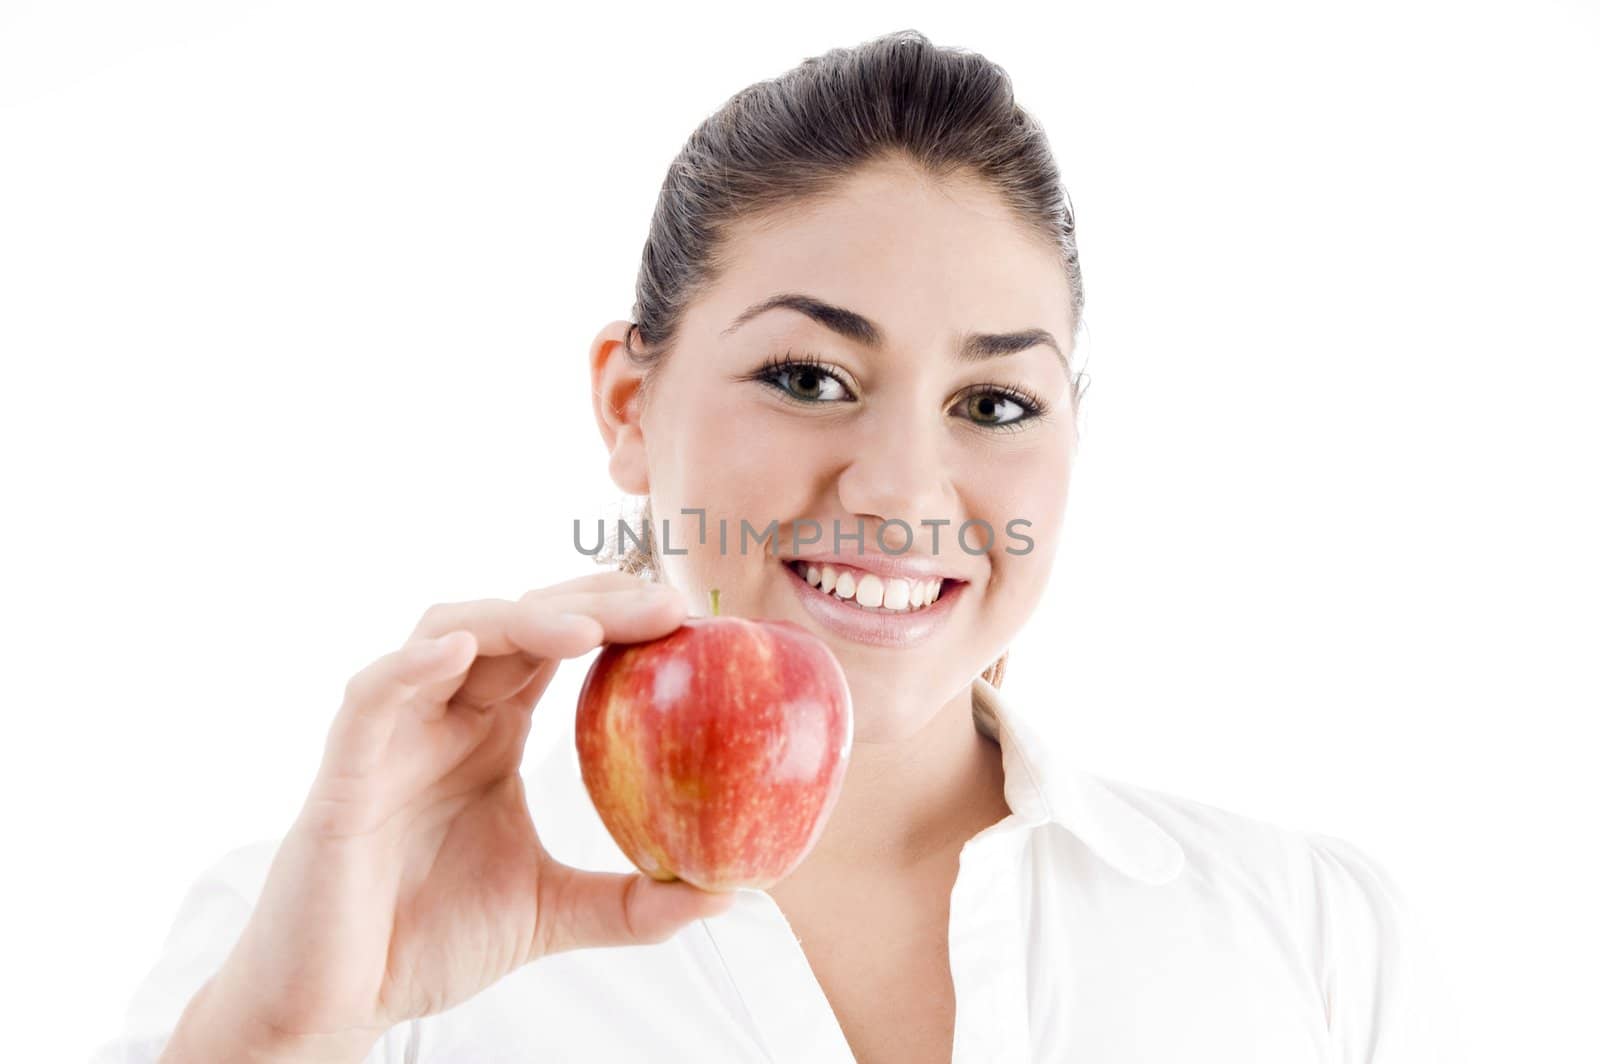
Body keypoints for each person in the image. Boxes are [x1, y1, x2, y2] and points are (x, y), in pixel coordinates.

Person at [94, 28, 1457, 1063]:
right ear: (630, 407)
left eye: (994, 403)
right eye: (809, 377)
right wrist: (283, 1037)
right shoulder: (339, 932)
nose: (905, 495)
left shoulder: (1303, 937)